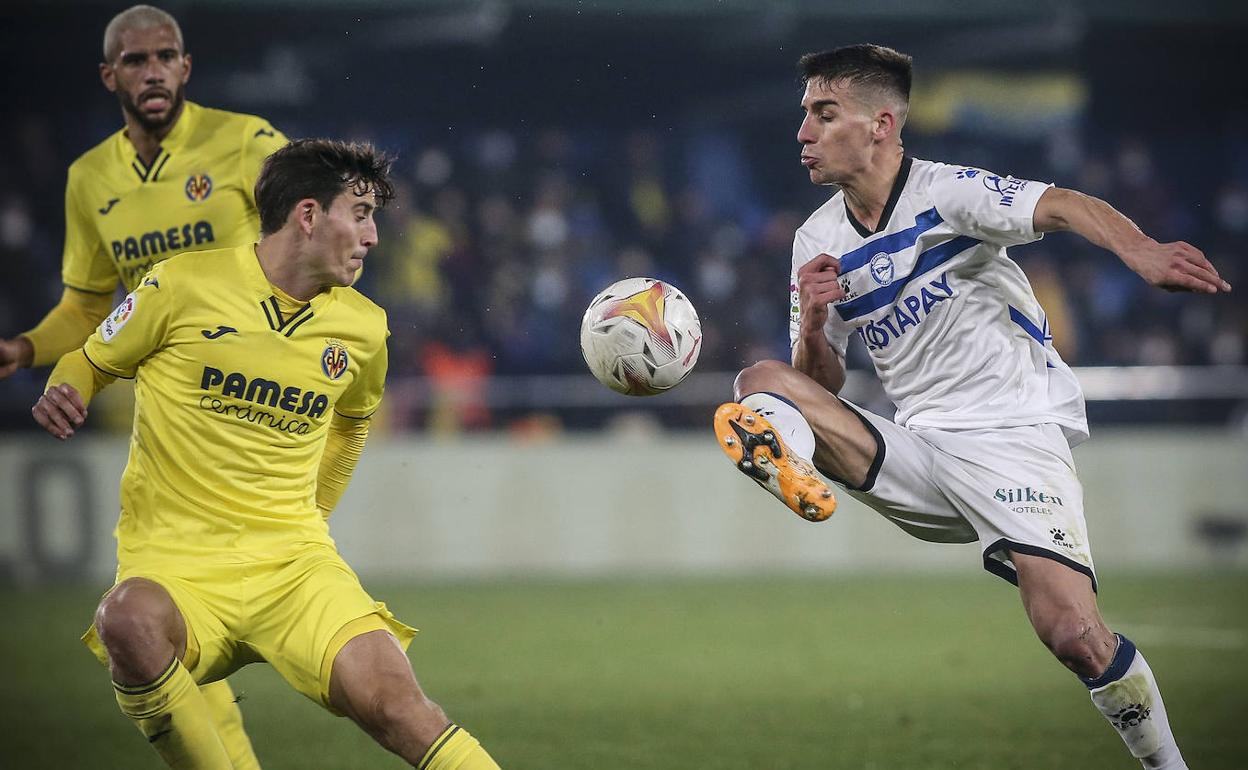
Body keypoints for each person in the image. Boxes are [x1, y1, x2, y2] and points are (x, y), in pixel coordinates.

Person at [714, 44, 1231, 769]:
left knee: (1076, 638)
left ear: (881, 124)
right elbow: (820, 385)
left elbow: (1064, 204)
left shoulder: (948, 191)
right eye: (805, 115)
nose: (802, 132)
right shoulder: (816, 239)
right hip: (920, 449)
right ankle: (789, 464)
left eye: (823, 114)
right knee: (761, 380)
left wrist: (1141, 252)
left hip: (1010, 432)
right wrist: (810, 323)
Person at [31, 139, 502, 770]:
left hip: (294, 566)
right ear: (308, 215)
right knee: (126, 619)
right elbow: (89, 359)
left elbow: (351, 427)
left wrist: (312, 516)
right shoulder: (181, 284)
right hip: (178, 565)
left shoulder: (364, 330)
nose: (373, 236)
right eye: (359, 213)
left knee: (398, 704)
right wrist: (68, 387)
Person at [1, 6, 289, 764]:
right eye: (135, 60)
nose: (153, 70)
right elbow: (90, 306)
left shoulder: (247, 142)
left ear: (187, 68)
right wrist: (27, 347)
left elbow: (310, 228)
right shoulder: (90, 178)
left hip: (250, 407)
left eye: (166, 56)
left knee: (170, 616)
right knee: (163, 622)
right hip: (167, 424)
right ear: (110, 76)